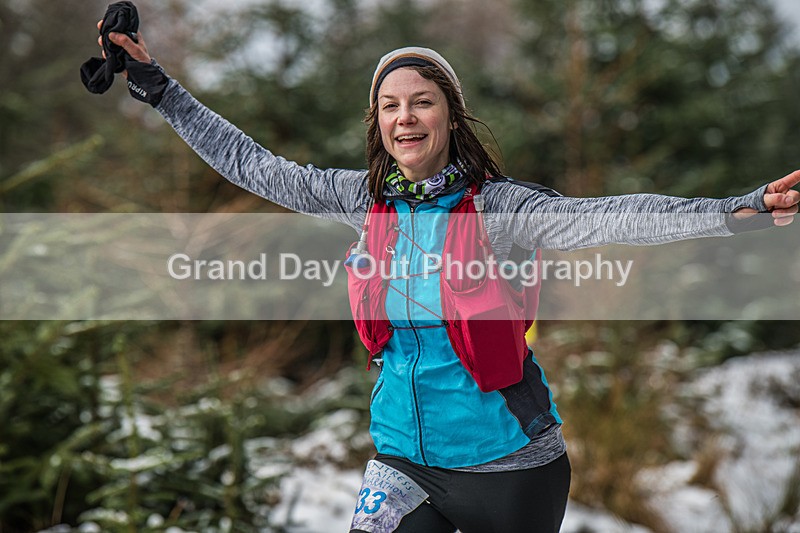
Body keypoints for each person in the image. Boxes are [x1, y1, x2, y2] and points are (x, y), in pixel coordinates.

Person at [92, 17, 799, 533]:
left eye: (422, 101)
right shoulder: (364, 199)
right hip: (403, 463)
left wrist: (733, 211)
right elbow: (255, 165)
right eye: (390, 105)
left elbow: (615, 217)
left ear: (451, 116)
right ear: (378, 121)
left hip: (512, 470)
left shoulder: (502, 210)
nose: (405, 117)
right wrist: (159, 88)